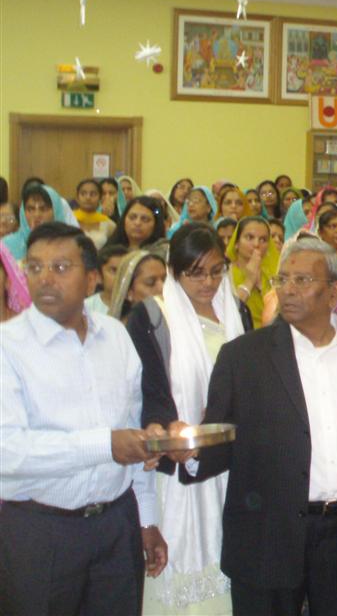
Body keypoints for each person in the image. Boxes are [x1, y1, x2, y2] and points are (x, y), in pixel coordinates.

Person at [180, 237, 337, 615]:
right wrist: (189, 453)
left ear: (334, 292)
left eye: (302, 280)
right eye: (282, 280)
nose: (288, 290)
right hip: (268, 533)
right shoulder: (243, 358)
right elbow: (219, 437)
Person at [0, 222, 168, 615]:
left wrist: (146, 519)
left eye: (61, 267)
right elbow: (7, 451)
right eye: (35, 266)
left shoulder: (115, 336)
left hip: (116, 524)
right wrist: (105, 444)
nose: (45, 278)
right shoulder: (8, 346)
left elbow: (134, 431)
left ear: (92, 278)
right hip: (40, 530)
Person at [125, 224, 247, 613]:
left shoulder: (238, 311)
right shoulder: (153, 318)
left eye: (216, 271)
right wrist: (169, 425)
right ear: (174, 272)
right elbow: (148, 392)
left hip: (233, 465)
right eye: (195, 273)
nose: (208, 282)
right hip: (181, 469)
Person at [227, 216, 279, 330]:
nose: (256, 244)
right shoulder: (225, 274)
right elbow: (229, 312)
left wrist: (261, 286)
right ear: (236, 243)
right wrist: (249, 281)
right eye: (249, 237)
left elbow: (279, 314)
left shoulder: (275, 275)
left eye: (263, 240)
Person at [1, 184, 66, 261]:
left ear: (56, 211)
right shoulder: (7, 245)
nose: (36, 215)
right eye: (30, 209)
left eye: (43, 209)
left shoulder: (68, 244)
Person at [107, 249, 167, 323]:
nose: (162, 287)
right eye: (150, 283)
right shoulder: (119, 332)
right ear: (129, 292)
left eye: (165, 281)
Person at [74, 178, 116, 248]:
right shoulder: (68, 220)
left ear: (100, 198)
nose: (88, 197)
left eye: (93, 194)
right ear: (77, 198)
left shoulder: (109, 224)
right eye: (83, 194)